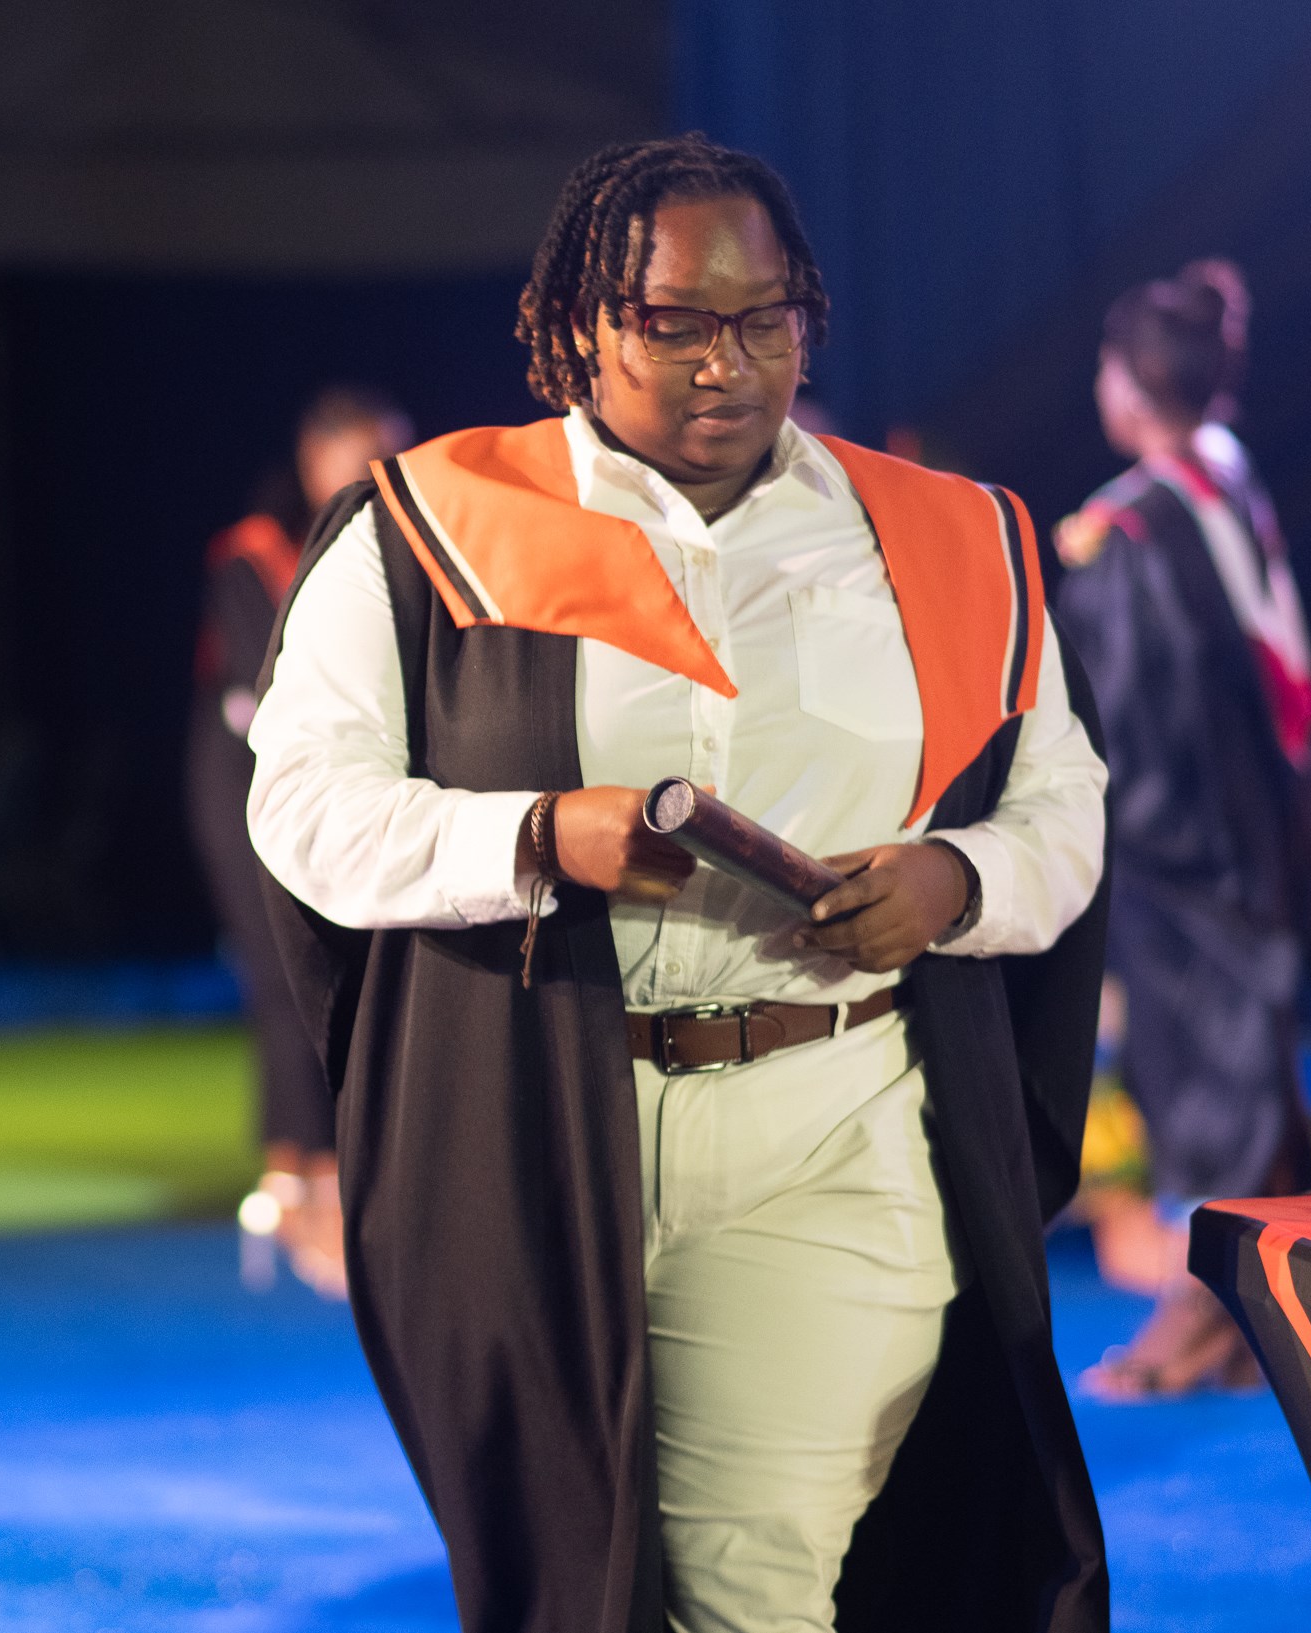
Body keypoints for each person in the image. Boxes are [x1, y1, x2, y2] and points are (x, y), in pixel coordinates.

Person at [248, 135, 1111, 1632]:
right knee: (569, 1584)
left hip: (828, 1121)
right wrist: (537, 838)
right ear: (581, 324)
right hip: (531, 1135)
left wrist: (955, 879)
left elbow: (1065, 809)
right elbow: (304, 807)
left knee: (741, 1579)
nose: (729, 363)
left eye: (765, 318)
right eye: (674, 322)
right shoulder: (425, 528)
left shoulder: (948, 536)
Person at [1055, 260, 1311, 1397]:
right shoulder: (1225, 479)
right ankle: (1257, 1319)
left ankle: (1218, 1311)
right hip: (1261, 828)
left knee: (1216, 1079)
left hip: (1183, 857)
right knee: (1250, 1073)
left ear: (1129, 387)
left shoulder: (1127, 527)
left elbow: (1122, 717)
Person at [186, 386, 413, 1298]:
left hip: (346, 786)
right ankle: (298, 1174)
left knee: (341, 971)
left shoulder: (400, 547)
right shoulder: (254, 552)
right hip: (247, 784)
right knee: (283, 971)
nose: (383, 476)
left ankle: (328, 1165)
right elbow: (261, 686)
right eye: (364, 459)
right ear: (317, 461)